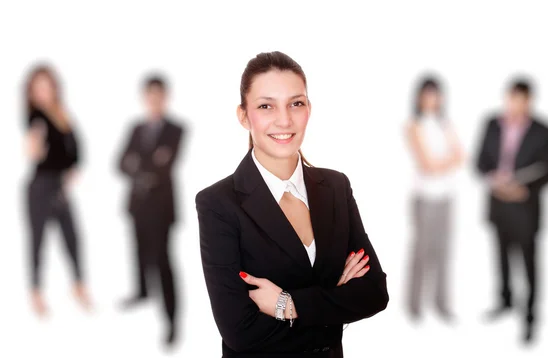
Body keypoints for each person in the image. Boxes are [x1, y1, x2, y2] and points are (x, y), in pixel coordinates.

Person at [195, 51, 389, 357]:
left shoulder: (336, 187)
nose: (284, 119)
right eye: (266, 106)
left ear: (309, 109)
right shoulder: (218, 204)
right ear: (244, 115)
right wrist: (333, 301)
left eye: (295, 103)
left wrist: (289, 305)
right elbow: (240, 332)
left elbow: (374, 293)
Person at [475, 78, 548, 343]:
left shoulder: (544, 130)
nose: (514, 105)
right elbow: (480, 162)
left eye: (520, 100)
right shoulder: (492, 124)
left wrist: (524, 190)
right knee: (500, 258)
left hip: (525, 208)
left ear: (529, 101)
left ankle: (531, 316)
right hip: (498, 204)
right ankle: (505, 301)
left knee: (529, 264)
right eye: (511, 99)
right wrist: (494, 179)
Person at [117, 75, 184, 346]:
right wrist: (149, 164)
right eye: (149, 96)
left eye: (158, 96)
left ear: (165, 97)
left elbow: (164, 166)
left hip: (160, 208)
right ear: (144, 98)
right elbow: (119, 163)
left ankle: (172, 320)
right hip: (137, 204)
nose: (154, 101)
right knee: (137, 249)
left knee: (162, 260)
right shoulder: (135, 128)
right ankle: (142, 292)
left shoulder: (176, 129)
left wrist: (138, 165)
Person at [22, 64, 91, 317]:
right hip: (40, 187)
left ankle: (79, 286)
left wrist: (72, 171)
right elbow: (33, 149)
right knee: (37, 240)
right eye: (37, 88)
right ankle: (36, 292)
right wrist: (34, 146)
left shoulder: (61, 114)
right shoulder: (36, 117)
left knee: (72, 237)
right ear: (31, 92)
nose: (42, 92)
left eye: (46, 86)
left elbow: (75, 150)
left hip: (60, 187)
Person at [405, 76, 464, 322]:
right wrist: (444, 162)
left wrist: (443, 163)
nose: (432, 99)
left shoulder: (444, 123)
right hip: (425, 198)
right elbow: (427, 164)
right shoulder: (414, 125)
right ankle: (414, 305)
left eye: (436, 94)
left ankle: (441, 303)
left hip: (446, 197)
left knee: (443, 252)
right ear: (420, 97)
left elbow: (460, 156)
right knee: (422, 251)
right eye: (428, 94)